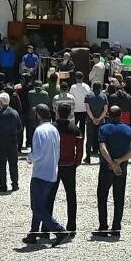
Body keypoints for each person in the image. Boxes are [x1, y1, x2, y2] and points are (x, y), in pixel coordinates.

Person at [24, 104, 68, 245]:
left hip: (41, 173)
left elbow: (37, 153)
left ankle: (59, 230)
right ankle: (33, 234)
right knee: (40, 205)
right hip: (51, 172)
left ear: (38, 115)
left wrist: (28, 158)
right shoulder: (54, 129)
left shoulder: (39, 130)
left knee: (37, 207)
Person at [92, 105, 131, 237]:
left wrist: (111, 162)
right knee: (119, 197)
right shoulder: (128, 129)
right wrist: (120, 161)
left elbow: (102, 148)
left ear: (109, 116)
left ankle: (103, 226)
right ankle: (116, 227)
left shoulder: (104, 128)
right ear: (121, 115)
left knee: (102, 196)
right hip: (121, 168)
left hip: (106, 167)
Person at [51, 101, 82, 236]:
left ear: (57, 112)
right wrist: (77, 161)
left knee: (50, 196)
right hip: (69, 165)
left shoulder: (52, 128)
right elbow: (79, 149)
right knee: (71, 196)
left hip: (55, 165)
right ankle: (72, 226)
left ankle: (47, 227)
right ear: (70, 113)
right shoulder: (75, 129)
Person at [0, 92, 22, 192]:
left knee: (2, 165)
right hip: (13, 142)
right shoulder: (15, 113)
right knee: (13, 164)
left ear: (0, 102)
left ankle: (3, 185)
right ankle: (15, 184)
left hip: (1, 142)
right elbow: (20, 128)